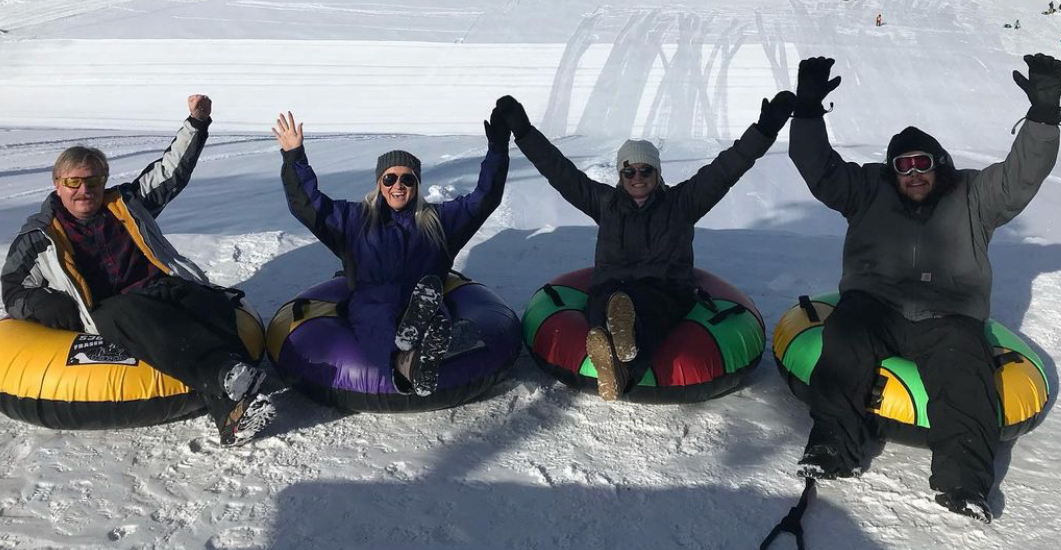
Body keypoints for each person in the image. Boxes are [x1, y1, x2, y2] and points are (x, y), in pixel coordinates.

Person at [787, 54, 1061, 522]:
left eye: (922, 164)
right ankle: (833, 448)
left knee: (964, 373)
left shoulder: (974, 195)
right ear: (891, 170)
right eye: (903, 165)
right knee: (845, 339)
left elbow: (1022, 175)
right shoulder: (866, 190)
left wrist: (1043, 115)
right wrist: (808, 111)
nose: (913, 173)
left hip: (948, 316)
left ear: (940, 165)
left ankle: (964, 484)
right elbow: (818, 167)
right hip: (874, 305)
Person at [1, 96, 274, 447]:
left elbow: (170, 172)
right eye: (74, 182)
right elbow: (13, 289)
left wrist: (196, 123)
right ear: (58, 184)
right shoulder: (39, 235)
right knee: (127, 313)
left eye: (94, 180)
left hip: (159, 287)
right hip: (111, 308)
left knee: (210, 304)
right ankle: (225, 374)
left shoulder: (127, 205)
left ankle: (231, 414)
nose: (85, 189)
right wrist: (42, 304)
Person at [493, 90, 795, 401]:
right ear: (621, 175)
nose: (638, 177)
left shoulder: (683, 202)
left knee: (647, 310)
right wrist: (524, 130)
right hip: (611, 288)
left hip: (663, 289)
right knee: (601, 307)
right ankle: (619, 351)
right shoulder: (605, 203)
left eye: (645, 170)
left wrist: (765, 129)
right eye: (629, 171)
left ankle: (620, 346)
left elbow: (727, 168)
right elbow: (559, 171)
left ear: (657, 172)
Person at [273, 106, 509, 397]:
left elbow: (483, 200)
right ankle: (409, 362)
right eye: (390, 178)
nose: (398, 185)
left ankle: (421, 337)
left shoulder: (440, 220)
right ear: (379, 183)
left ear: (417, 185)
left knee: (434, 315)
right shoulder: (354, 220)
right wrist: (294, 157)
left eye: (407, 179)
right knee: (377, 322)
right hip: (373, 301)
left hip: (423, 296)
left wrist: (498, 150)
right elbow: (308, 206)